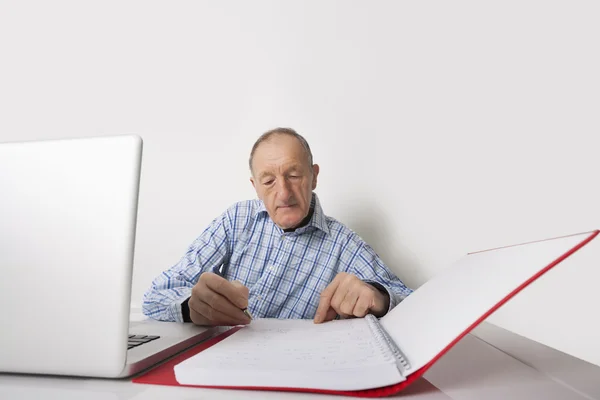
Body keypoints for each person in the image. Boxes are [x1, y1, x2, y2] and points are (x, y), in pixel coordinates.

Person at [142, 128, 412, 326]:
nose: (284, 193)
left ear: (314, 176)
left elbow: (414, 304)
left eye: (294, 176)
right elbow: (156, 295)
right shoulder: (235, 220)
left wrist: (379, 299)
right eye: (269, 181)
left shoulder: (344, 244)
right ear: (255, 187)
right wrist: (192, 308)